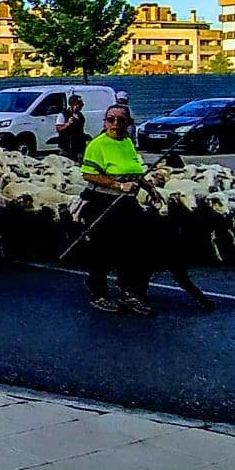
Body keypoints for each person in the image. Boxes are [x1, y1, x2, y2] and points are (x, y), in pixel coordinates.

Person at [79, 105, 153, 315]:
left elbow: (134, 171)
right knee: (103, 249)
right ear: (104, 121)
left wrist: (149, 188)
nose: (115, 124)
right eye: (111, 119)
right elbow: (89, 174)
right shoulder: (97, 145)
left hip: (127, 203)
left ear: (128, 123)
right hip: (103, 202)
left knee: (132, 250)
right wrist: (118, 186)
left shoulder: (128, 143)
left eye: (121, 120)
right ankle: (98, 293)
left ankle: (129, 292)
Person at [54, 94, 89, 163]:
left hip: (79, 145)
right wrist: (67, 124)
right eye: (80, 104)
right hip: (67, 145)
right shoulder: (63, 115)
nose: (81, 106)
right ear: (73, 104)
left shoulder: (80, 115)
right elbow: (58, 128)